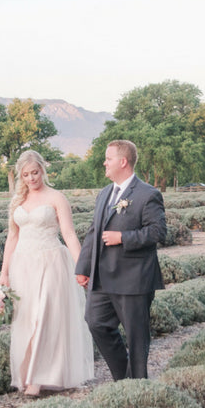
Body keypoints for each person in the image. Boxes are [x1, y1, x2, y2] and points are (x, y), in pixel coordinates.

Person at [0, 150, 94, 396]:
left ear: (43, 170)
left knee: (44, 317)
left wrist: (82, 266)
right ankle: (28, 371)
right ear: (21, 175)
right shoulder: (18, 200)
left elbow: (69, 234)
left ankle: (37, 379)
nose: (31, 178)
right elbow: (12, 236)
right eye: (26, 174)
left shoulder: (56, 197)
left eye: (35, 173)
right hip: (22, 265)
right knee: (26, 319)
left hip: (51, 262)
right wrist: (4, 272)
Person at [75, 139, 166, 380]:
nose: (104, 162)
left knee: (137, 338)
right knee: (95, 323)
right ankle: (123, 378)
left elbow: (158, 232)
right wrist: (83, 267)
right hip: (102, 278)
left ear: (123, 161)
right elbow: (93, 231)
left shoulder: (148, 194)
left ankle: (137, 387)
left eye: (109, 158)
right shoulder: (104, 193)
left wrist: (123, 237)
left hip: (133, 279)